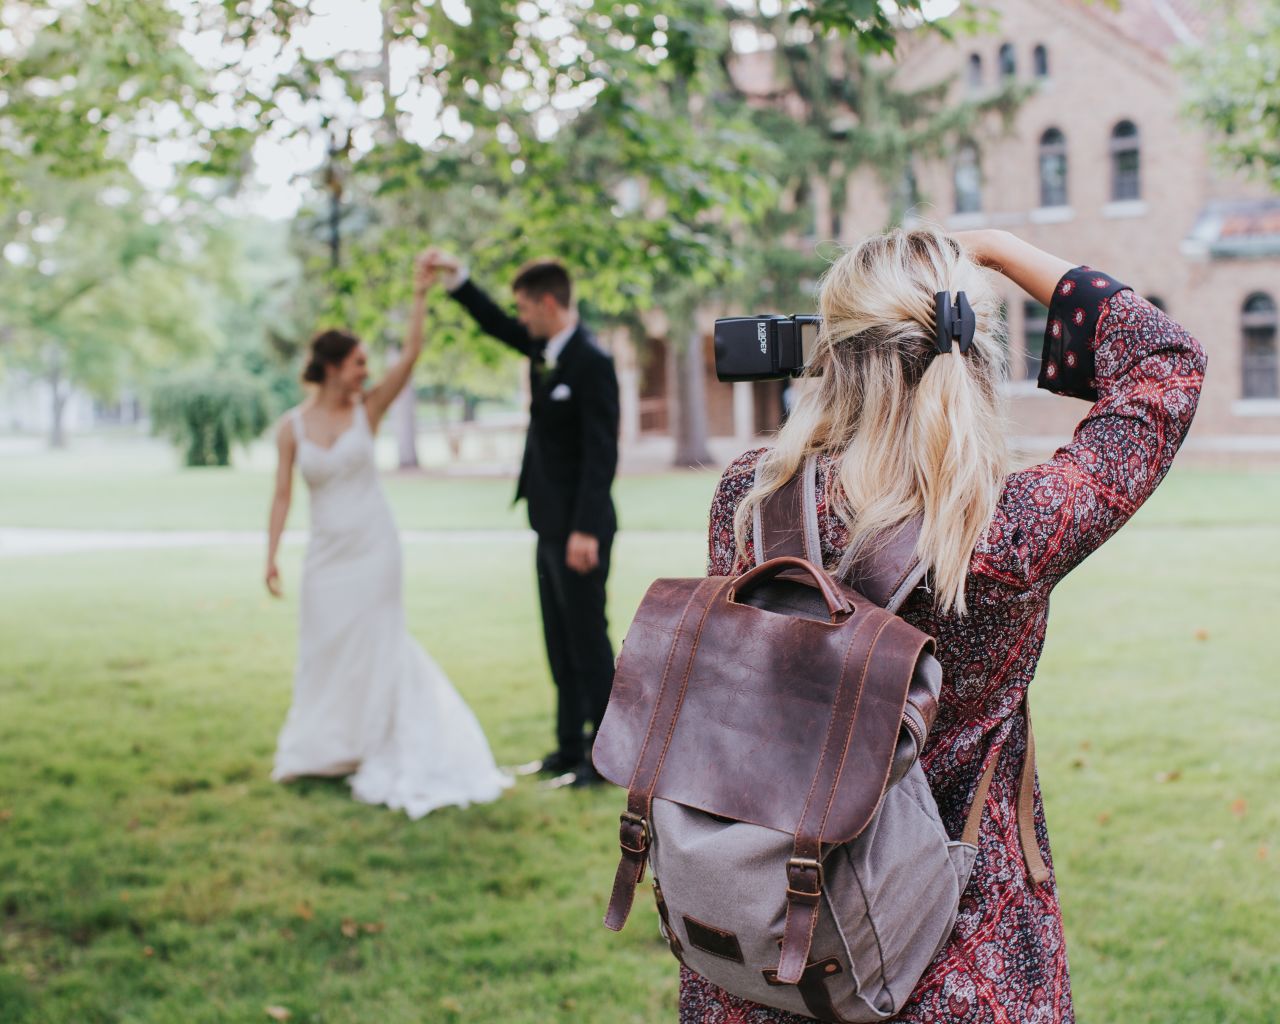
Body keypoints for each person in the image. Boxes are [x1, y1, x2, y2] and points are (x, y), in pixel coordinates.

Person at [684, 227, 1205, 1023]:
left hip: (774, 933)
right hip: (962, 950)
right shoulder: (1004, 534)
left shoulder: (749, 504)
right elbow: (1167, 365)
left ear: (830, 355)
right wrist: (999, 249)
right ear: (970, 359)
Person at [265, 254, 511, 819]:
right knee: (325, 646)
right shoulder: (291, 427)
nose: (364, 373)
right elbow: (281, 495)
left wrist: (421, 294)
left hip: (374, 548)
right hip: (326, 555)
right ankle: (323, 748)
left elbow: (412, 356)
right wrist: (272, 555)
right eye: (356, 364)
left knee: (377, 644)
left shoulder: (368, 411)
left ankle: (374, 741)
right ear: (329, 367)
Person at [422, 249, 619, 788]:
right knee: (557, 639)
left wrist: (583, 528)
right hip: (547, 523)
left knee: (587, 641)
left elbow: (602, 454)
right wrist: (459, 282)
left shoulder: (592, 363)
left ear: (549, 302)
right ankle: (565, 749)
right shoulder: (543, 350)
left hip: (581, 529)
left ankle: (603, 759)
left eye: (525, 308)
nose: (521, 318)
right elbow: (495, 325)